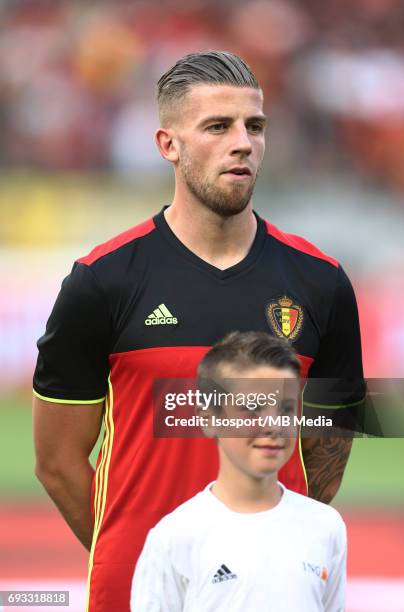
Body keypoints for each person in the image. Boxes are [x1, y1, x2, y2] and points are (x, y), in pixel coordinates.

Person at [32, 51, 363, 612]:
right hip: (135, 591)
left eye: (254, 126)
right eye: (218, 126)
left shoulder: (323, 282)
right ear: (168, 145)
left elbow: (327, 453)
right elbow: (57, 462)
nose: (244, 143)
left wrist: (248, 554)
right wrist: (154, 560)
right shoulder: (100, 281)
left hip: (272, 588)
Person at [131, 331, 347, 612]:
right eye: (252, 408)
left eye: (286, 408)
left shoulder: (326, 526)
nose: (273, 425)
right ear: (209, 420)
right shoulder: (175, 537)